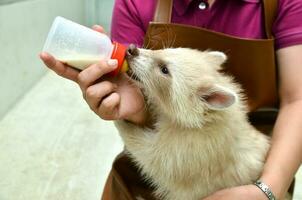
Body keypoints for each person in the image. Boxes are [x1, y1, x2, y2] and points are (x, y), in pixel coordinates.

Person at [40, 0, 302, 199]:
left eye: (164, 68)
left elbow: (297, 100)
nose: (137, 53)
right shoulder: (136, 4)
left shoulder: (283, 4)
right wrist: (132, 111)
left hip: (268, 167)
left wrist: (268, 189)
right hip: (160, 141)